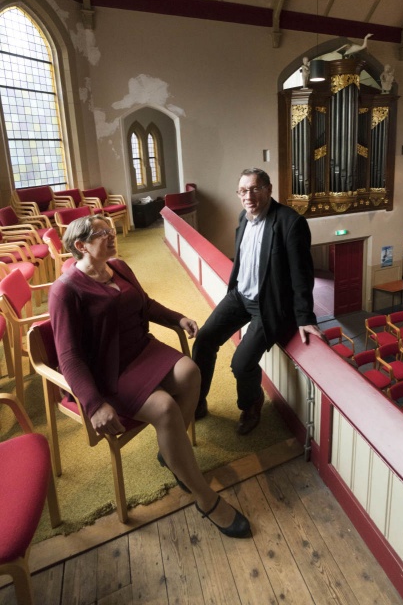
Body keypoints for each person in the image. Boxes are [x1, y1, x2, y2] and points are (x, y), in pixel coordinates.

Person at [48, 215, 250, 539]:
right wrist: (93, 404)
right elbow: (68, 357)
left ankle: (170, 451)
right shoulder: (65, 291)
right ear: (80, 245)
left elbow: (145, 303)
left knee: (191, 372)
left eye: (111, 230)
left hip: (142, 349)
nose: (111, 235)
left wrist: (177, 317)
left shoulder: (119, 266)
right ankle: (205, 497)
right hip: (109, 370)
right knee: (165, 407)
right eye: (102, 233)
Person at [192, 168, 324, 435]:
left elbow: (302, 275)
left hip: (269, 305)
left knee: (241, 364)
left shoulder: (290, 223)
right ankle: (197, 401)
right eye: (242, 191)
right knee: (205, 339)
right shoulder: (243, 217)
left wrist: (305, 317)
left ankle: (251, 405)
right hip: (240, 296)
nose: (248, 196)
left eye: (254, 189)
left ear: (268, 189)